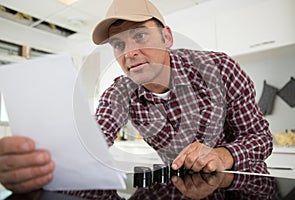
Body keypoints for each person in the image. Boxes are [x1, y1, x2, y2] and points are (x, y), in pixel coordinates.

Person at [0, 0, 273, 196]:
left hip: (243, 186)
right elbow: (90, 141)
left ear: (166, 37)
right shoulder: (120, 92)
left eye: (140, 35)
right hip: (177, 187)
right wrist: (39, 168)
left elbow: (260, 138)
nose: (129, 53)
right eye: (119, 44)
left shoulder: (218, 68)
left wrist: (222, 155)